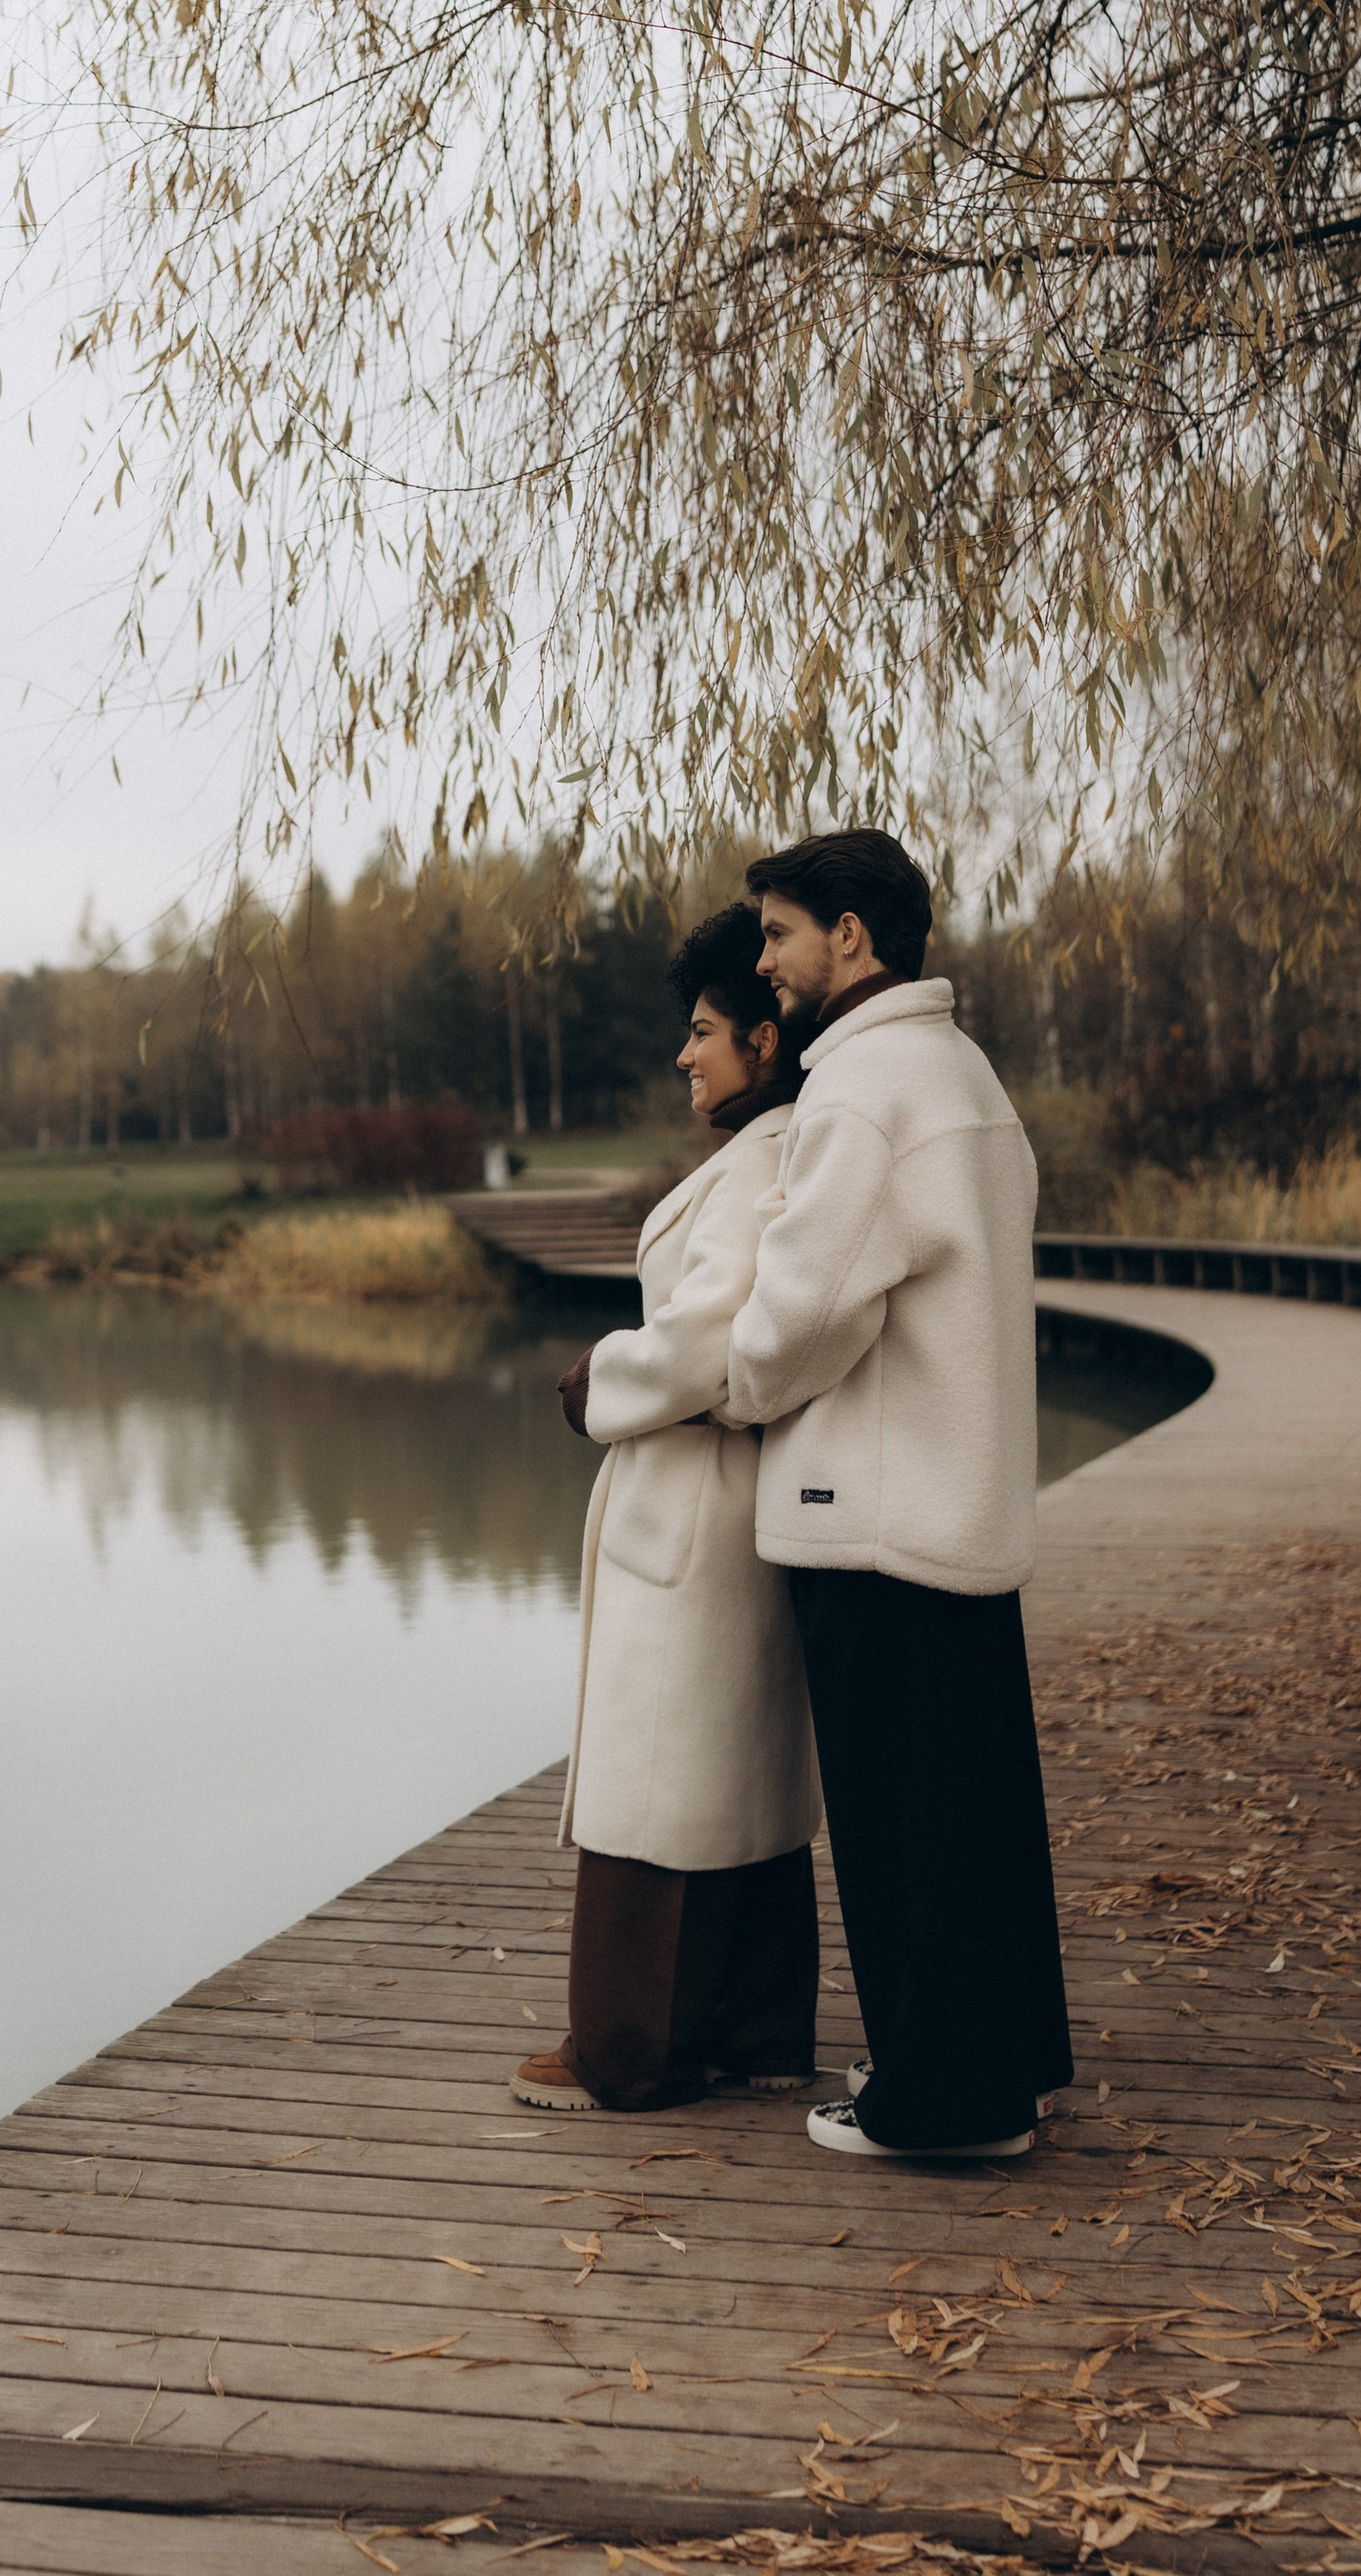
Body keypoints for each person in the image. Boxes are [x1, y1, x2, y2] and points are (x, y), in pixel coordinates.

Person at [726, 827, 1072, 2160]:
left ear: (851, 937)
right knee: (974, 1816)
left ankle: (937, 2107)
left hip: (870, 1513)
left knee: (898, 1829)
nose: (767, 963)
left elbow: (805, 1309)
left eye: (780, 934)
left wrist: (741, 1386)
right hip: (959, 1499)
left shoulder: (863, 1091)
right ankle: (1000, 2069)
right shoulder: (964, 1076)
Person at [513, 905, 823, 2115]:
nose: (684, 1056)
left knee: (656, 1773)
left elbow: (708, 1340)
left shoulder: (757, 1173)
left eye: (701, 1033)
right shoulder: (780, 1155)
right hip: (724, 1500)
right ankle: (755, 2029)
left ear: (761, 1034)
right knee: (734, 1765)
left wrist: (601, 1384)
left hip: (693, 1499)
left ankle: (627, 2050)